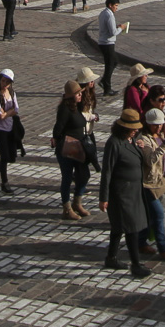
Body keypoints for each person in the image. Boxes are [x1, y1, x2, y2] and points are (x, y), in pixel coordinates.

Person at [98, 108, 152, 276]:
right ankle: (135, 264)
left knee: (118, 227)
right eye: (133, 128)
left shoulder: (132, 140)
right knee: (131, 228)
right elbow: (107, 171)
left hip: (134, 191)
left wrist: (141, 148)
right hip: (122, 194)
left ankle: (111, 257)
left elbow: (138, 160)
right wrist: (103, 197)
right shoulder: (114, 143)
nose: (136, 130)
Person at [134, 105, 165, 260]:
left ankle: (140, 242)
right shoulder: (143, 139)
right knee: (159, 214)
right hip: (147, 183)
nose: (159, 126)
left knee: (150, 215)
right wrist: (163, 147)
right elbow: (150, 160)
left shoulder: (159, 135)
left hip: (158, 180)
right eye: (156, 124)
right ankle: (163, 248)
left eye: (160, 124)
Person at [54, 72, 98, 220]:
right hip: (67, 150)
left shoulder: (76, 107)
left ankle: (77, 202)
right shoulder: (65, 110)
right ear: (71, 96)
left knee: (84, 175)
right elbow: (58, 129)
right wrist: (60, 141)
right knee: (67, 178)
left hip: (79, 149)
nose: (80, 96)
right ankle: (66, 208)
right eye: (78, 94)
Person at [95, 0, 124, 94]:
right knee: (111, 63)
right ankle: (106, 85)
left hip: (103, 42)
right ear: (110, 5)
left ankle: (106, 84)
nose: (117, 8)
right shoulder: (110, 15)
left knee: (112, 62)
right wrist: (121, 28)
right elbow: (113, 32)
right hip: (107, 43)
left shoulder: (103, 13)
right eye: (115, 5)